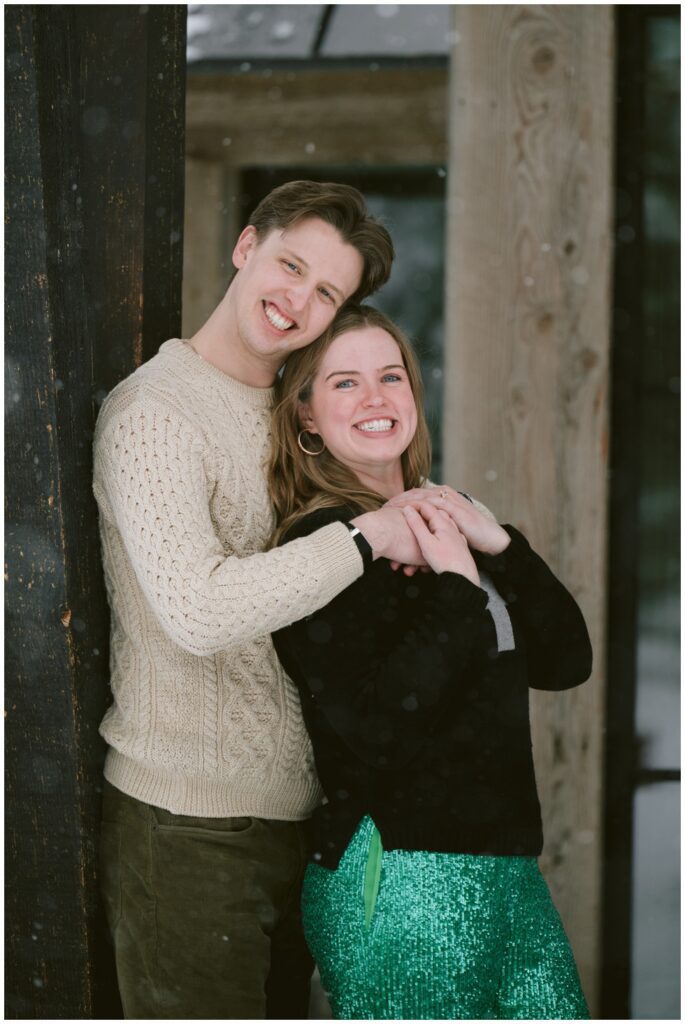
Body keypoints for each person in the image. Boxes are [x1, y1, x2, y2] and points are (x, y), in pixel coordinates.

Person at [92, 181, 428, 1020]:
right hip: (189, 822)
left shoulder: (301, 411)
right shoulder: (153, 413)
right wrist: (362, 540)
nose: (297, 301)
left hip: (305, 823)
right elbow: (197, 611)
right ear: (246, 247)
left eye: (327, 293)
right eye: (289, 265)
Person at [269, 303, 593, 1020]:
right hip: (404, 870)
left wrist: (499, 544)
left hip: (505, 864)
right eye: (345, 383)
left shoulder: (447, 525)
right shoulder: (326, 546)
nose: (377, 397)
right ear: (307, 419)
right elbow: (379, 726)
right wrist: (456, 587)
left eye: (390, 376)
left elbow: (566, 660)